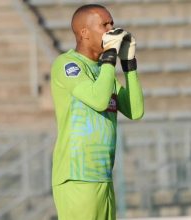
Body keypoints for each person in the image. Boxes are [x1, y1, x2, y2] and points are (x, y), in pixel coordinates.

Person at [50, 3, 144, 220]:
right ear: (84, 33)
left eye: (112, 23)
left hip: (103, 177)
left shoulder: (104, 72)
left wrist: (128, 64)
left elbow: (136, 111)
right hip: (77, 178)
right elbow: (99, 100)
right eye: (105, 24)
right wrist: (110, 56)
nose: (112, 29)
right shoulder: (67, 64)